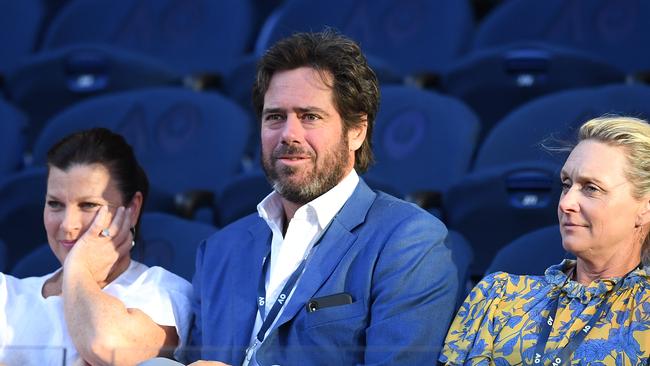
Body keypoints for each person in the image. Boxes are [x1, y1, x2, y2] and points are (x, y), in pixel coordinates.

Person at [186, 30, 459, 365]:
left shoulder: (409, 241)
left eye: (309, 116)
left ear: (357, 130)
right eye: (275, 117)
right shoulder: (218, 251)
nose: (288, 134)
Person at [439, 115, 650, 365]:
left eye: (591, 188)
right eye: (566, 184)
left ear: (645, 208)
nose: (566, 203)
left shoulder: (644, 316)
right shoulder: (497, 297)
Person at [0, 128, 193, 365]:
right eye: (55, 204)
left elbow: (104, 346)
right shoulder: (7, 293)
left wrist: (78, 267)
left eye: (89, 205)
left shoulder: (163, 292)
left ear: (132, 209)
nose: (68, 225)